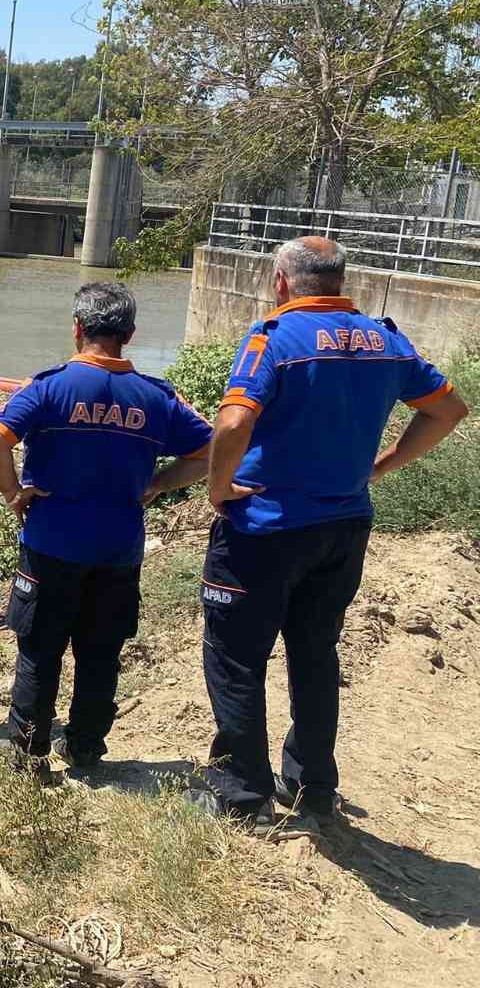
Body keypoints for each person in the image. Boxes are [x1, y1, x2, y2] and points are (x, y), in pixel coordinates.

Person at [194, 236, 468, 821]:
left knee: (236, 657)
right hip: (344, 526)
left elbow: (235, 420)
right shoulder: (386, 339)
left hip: (265, 530)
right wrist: (387, 463)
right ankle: (313, 785)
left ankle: (242, 793)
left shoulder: (273, 337)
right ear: (342, 283)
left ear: (281, 282)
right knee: (315, 653)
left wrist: (218, 488)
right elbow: (448, 410)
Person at [0, 282, 213, 773]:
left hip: (50, 545)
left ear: (78, 328)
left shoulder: (48, 387)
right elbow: (210, 451)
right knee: (101, 651)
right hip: (118, 550)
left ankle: (28, 756)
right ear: (129, 335)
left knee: (40, 651)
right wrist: (158, 484)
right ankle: (85, 747)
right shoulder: (156, 398)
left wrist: (11, 494)